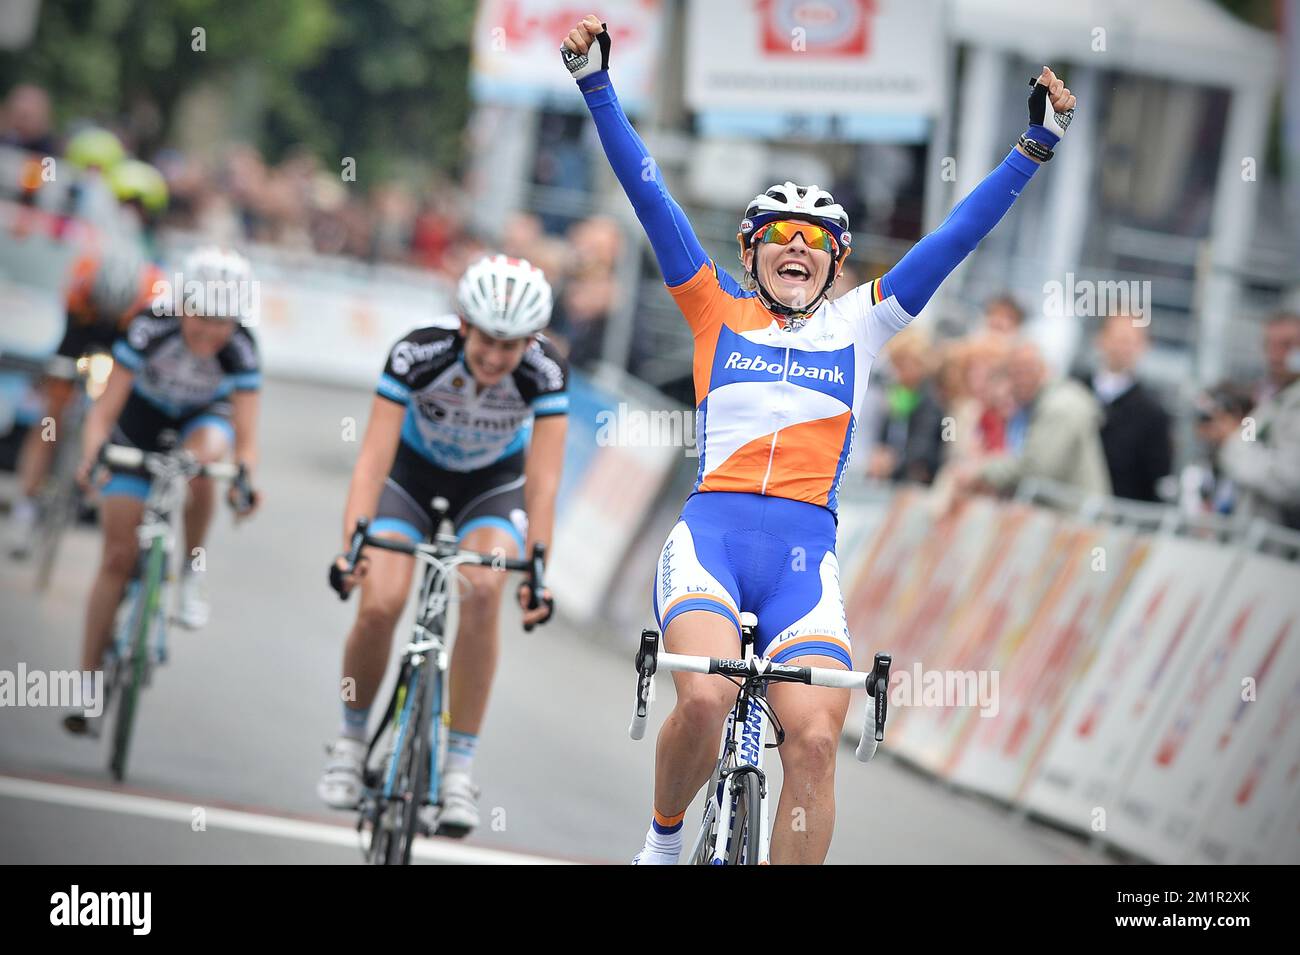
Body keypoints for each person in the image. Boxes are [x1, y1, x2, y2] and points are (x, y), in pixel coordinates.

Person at [560, 15, 1076, 863]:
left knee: (815, 740)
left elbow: (953, 239)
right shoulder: (710, 303)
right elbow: (649, 191)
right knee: (704, 701)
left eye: (816, 243)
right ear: (750, 252)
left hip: (805, 560)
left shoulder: (863, 324)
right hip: (712, 543)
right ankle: (659, 844)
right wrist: (596, 83)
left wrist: (1035, 145)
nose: (796, 250)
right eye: (778, 239)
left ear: (838, 262)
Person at [320, 254, 565, 837]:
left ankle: (458, 767)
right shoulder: (416, 352)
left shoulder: (546, 372)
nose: (495, 357)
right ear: (463, 324)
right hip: (410, 477)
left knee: (483, 588)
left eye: (511, 346)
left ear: (530, 342)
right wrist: (352, 544)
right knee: (381, 602)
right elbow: (373, 458)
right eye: (486, 340)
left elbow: (544, 481)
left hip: (489, 486)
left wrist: (538, 569)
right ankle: (351, 745)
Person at [64, 246, 261, 734]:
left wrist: (246, 480)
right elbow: (104, 412)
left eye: (224, 322)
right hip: (138, 424)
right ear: (183, 304)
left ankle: (192, 570)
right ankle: (87, 686)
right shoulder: (152, 325)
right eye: (203, 317)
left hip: (201, 422)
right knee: (115, 557)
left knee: (202, 462)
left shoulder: (242, 347)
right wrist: (92, 457)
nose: (212, 332)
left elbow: (248, 439)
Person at [963, 340, 1111, 497]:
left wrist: (982, 471)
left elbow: (1036, 469)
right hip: (1065, 512)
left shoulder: (1058, 407)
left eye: (1016, 374)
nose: (1012, 385)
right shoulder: (1040, 405)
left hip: (1074, 515)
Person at [1215, 313, 1300, 528]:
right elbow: (1251, 440)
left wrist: (1232, 441)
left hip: (1280, 544)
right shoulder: (1271, 396)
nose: (1275, 355)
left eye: (1287, 345)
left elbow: (1287, 481)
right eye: (1269, 345)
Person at [1086, 314, 1172, 502]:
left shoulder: (1153, 415)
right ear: (1100, 339)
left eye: (1131, 340)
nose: (1122, 347)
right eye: (1117, 337)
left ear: (1145, 346)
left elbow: (1155, 481)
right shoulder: (1075, 390)